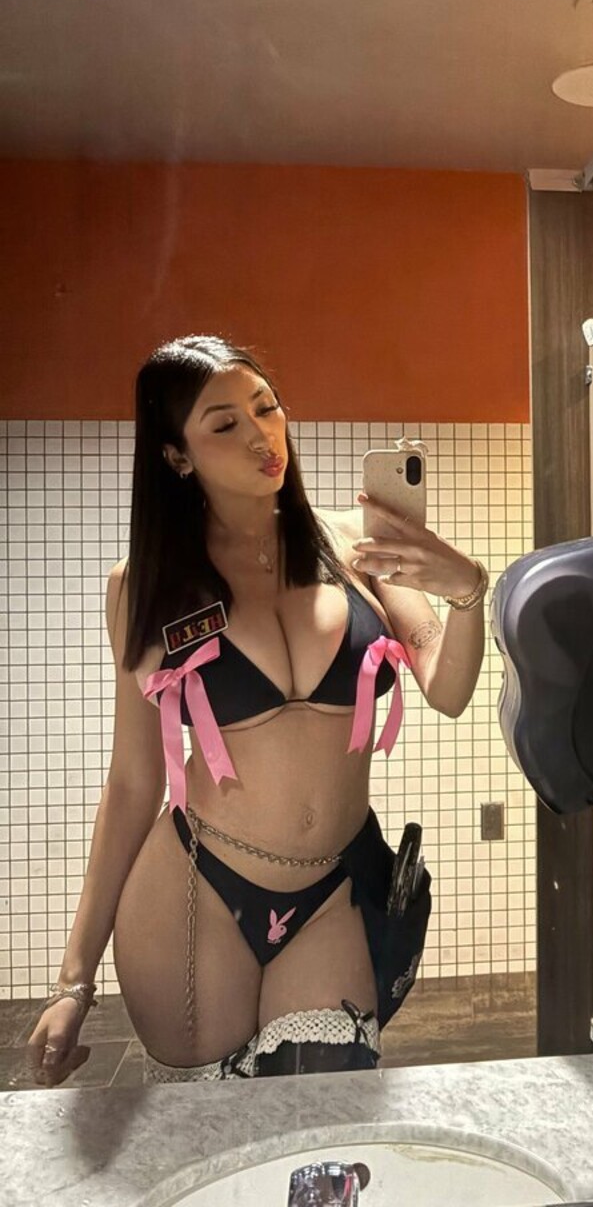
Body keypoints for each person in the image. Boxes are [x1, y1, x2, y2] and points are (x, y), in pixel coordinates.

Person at [24, 334, 488, 1085]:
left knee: (325, 1124)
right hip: (194, 894)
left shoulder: (355, 543)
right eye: (225, 423)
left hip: (332, 888)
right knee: (214, 1131)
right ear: (177, 455)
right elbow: (134, 783)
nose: (261, 436)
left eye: (266, 408)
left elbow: (448, 688)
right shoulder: (145, 585)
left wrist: (468, 591)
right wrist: (73, 982)